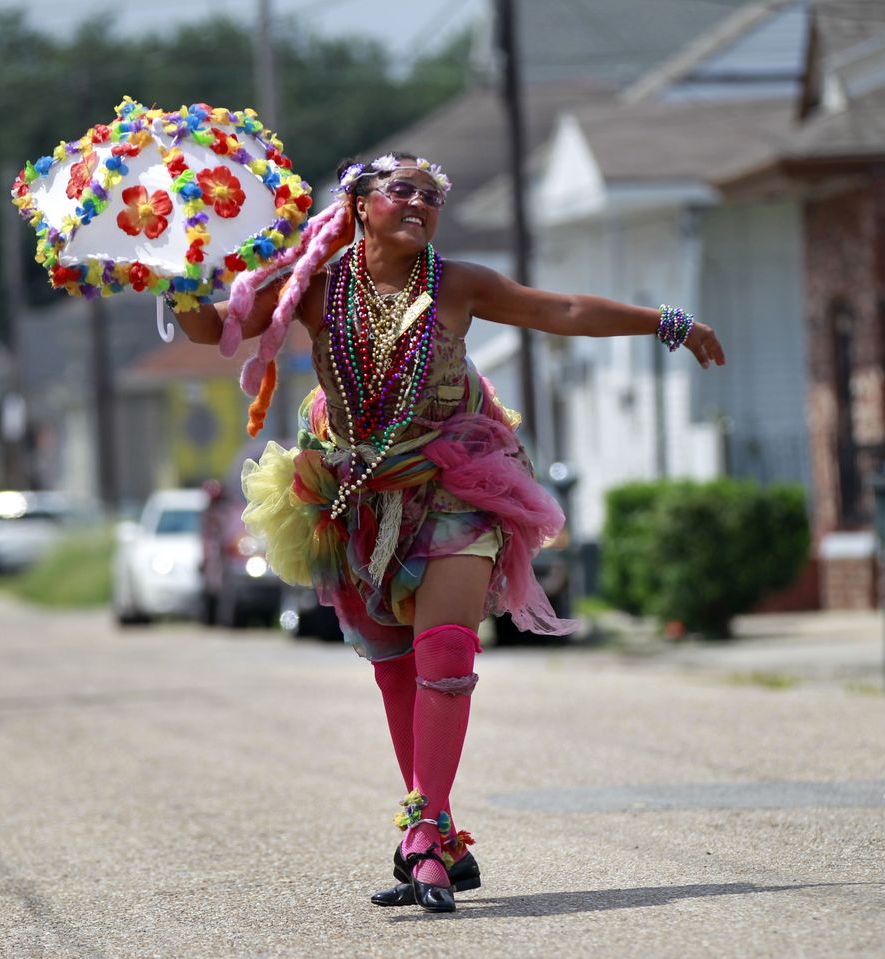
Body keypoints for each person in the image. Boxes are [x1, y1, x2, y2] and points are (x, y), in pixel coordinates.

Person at [173, 153, 726, 913]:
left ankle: (425, 835)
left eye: (432, 196)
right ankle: (443, 834)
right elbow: (216, 328)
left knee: (445, 653)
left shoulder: (458, 284)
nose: (420, 204)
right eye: (402, 190)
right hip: (354, 492)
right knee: (395, 665)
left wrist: (667, 321)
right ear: (360, 204)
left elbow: (559, 310)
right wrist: (170, 274)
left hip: (456, 480)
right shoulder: (314, 287)